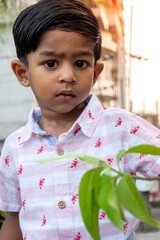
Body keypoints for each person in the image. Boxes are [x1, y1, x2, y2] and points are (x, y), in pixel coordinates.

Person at [0, 0, 160, 239]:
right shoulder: (15, 147)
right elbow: (14, 217)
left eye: (80, 63)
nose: (68, 75)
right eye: (51, 63)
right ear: (23, 73)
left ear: (95, 73)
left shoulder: (123, 128)